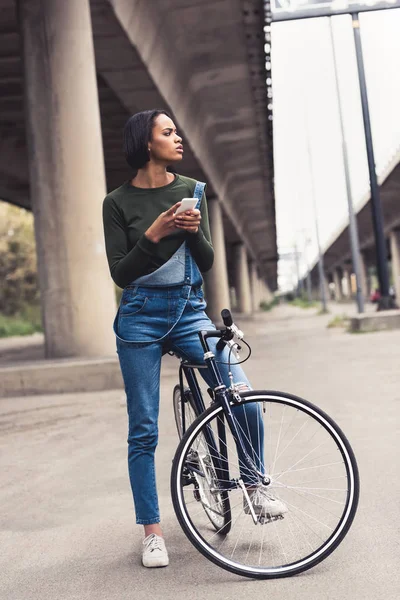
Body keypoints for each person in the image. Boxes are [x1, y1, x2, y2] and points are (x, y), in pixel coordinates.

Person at [102, 109, 287, 569]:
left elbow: (204, 260)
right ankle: (152, 532)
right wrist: (153, 234)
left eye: (177, 131)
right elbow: (120, 273)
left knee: (243, 397)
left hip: (189, 312)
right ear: (147, 143)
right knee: (143, 429)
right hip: (140, 318)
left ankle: (253, 487)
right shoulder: (117, 202)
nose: (178, 138)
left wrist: (190, 231)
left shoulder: (192, 190)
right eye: (168, 133)